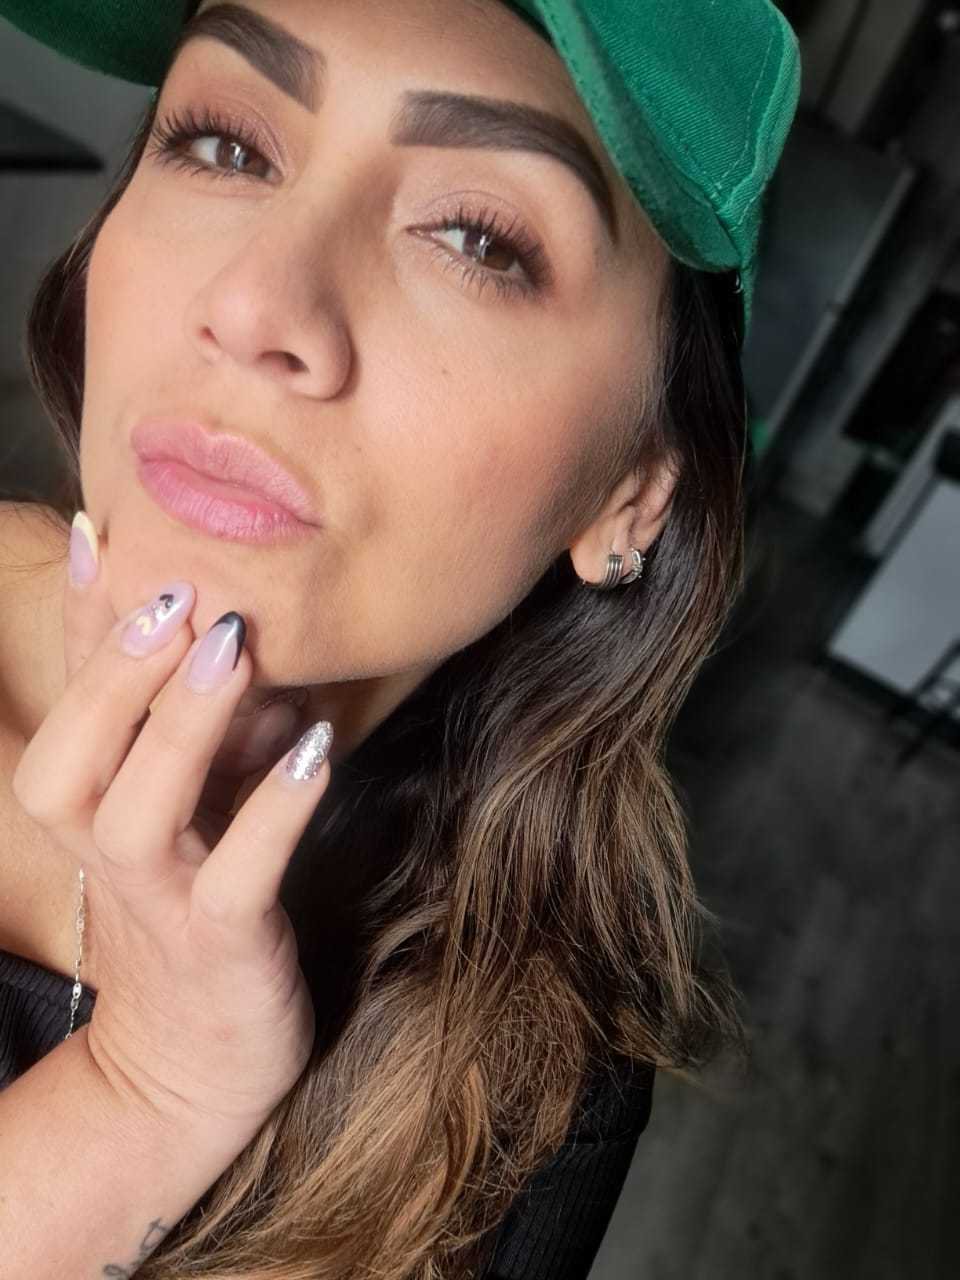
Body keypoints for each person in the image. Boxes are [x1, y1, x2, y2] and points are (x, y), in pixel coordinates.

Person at [0, 0, 801, 1276]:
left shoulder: (533, 1076)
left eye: (477, 238)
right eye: (223, 145)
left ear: (629, 497)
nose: (254, 302)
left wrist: (176, 1079)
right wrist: (144, 1088)